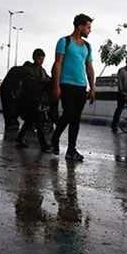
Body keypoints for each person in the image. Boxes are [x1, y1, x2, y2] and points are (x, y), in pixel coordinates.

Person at [50, 13, 95, 161]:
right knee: (68, 113)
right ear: (80, 26)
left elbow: (89, 67)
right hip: (66, 84)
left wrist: (92, 87)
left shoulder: (87, 46)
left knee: (75, 119)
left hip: (81, 86)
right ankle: (55, 138)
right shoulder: (64, 42)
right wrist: (56, 86)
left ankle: (71, 149)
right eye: (88, 27)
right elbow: (58, 64)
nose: (90, 30)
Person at [15, 48, 52, 152]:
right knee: (38, 121)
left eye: (43, 59)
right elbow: (28, 84)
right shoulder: (28, 70)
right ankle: (43, 144)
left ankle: (19, 138)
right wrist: (41, 81)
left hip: (37, 99)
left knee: (30, 121)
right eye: (40, 59)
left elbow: (48, 80)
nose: (41, 61)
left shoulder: (42, 71)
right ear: (34, 58)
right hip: (28, 99)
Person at [110, 56, 127, 134]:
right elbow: (120, 81)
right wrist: (121, 91)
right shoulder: (121, 71)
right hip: (123, 92)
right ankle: (114, 125)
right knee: (119, 109)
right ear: (126, 62)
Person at [0, 64, 26, 132]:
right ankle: (11, 123)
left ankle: (11, 123)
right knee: (10, 108)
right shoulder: (20, 72)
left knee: (9, 109)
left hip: (7, 91)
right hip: (9, 92)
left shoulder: (16, 70)